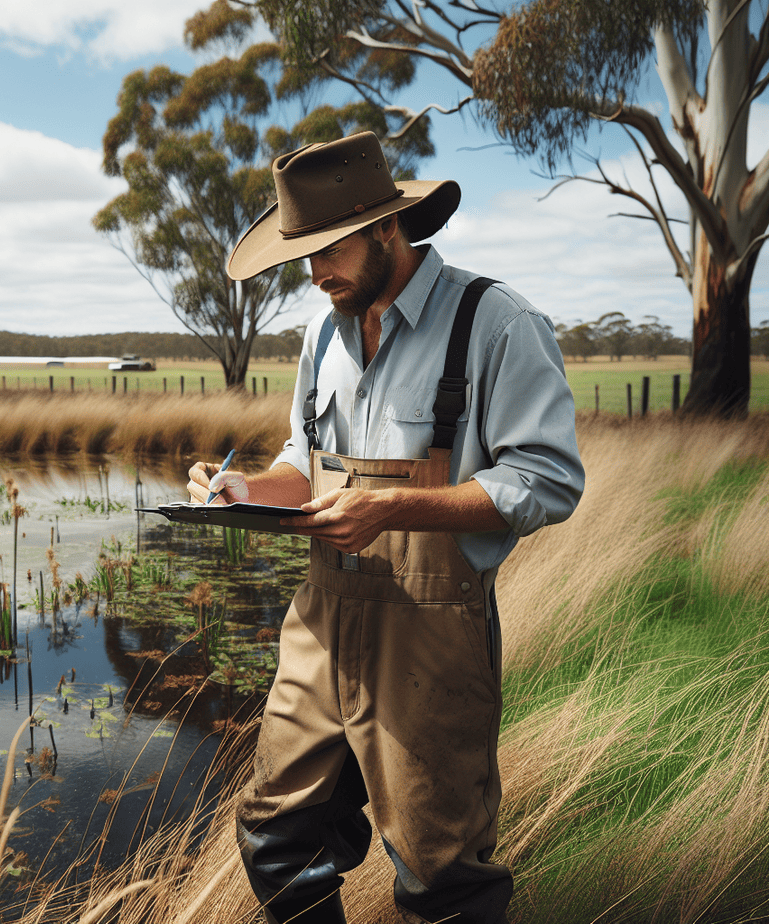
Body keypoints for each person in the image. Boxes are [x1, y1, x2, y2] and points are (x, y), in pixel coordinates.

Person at [187, 132, 584, 924]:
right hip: (320, 622)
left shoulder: (495, 321)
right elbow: (307, 462)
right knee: (276, 834)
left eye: (330, 248)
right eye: (305, 253)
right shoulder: (322, 333)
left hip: (432, 629)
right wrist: (243, 489)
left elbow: (548, 481)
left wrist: (394, 508)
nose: (316, 272)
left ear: (387, 228)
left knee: (441, 876)